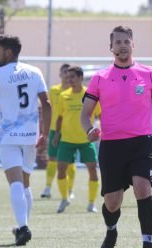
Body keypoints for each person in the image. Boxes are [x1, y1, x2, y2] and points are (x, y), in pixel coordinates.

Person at [80, 25, 152, 248]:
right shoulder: (100, 78)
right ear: (111, 47)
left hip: (141, 142)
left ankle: (147, 241)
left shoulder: (149, 74)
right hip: (111, 146)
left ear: (133, 44)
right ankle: (111, 231)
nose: (122, 46)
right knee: (112, 203)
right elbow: (85, 113)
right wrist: (89, 130)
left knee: (143, 188)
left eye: (126, 41)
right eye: (117, 42)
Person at [0, 34, 51, 246]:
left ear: (8, 52)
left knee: (15, 183)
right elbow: (46, 104)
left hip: (8, 136)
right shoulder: (35, 71)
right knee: (25, 184)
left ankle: (24, 228)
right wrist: (45, 132)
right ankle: (23, 225)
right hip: (30, 135)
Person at [53, 66, 101, 213]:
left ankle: (92, 203)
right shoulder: (63, 96)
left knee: (92, 170)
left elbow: (100, 115)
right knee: (60, 170)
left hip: (87, 140)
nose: (69, 80)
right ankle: (64, 199)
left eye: (72, 77)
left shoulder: (90, 94)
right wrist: (56, 134)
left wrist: (104, 131)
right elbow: (60, 117)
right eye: (68, 77)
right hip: (66, 140)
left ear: (80, 78)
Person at [40, 64, 77, 200]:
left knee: (70, 162)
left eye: (69, 73)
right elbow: (48, 109)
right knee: (52, 159)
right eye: (64, 72)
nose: (66, 75)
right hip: (54, 130)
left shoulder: (75, 92)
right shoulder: (53, 90)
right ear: (60, 75)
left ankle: (70, 190)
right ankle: (48, 188)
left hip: (69, 131)